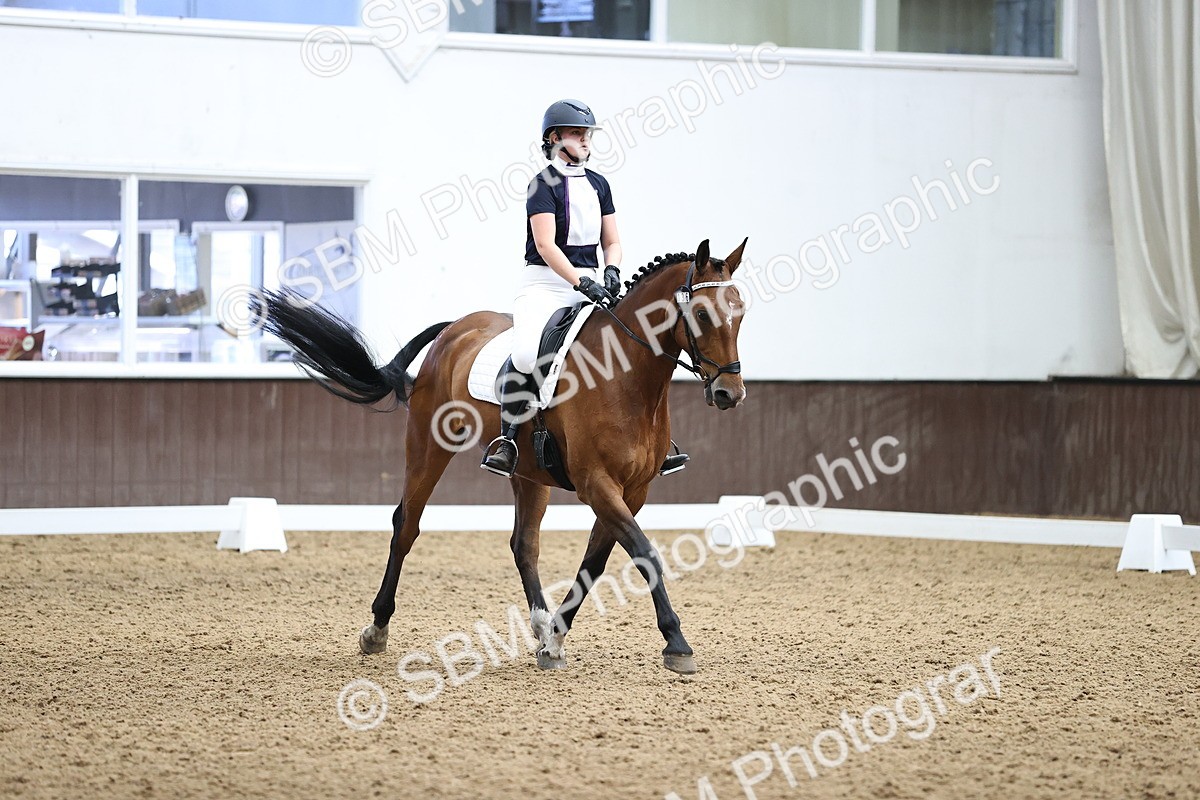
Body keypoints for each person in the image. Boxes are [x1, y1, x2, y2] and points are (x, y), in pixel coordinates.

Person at [480, 99, 621, 478]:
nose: (586, 140)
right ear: (555, 138)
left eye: (587, 133)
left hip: (593, 283)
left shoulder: (599, 184)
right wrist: (581, 281)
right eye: (577, 133)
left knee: (627, 343)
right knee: (527, 355)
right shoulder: (542, 184)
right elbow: (546, 245)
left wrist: (612, 271)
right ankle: (508, 439)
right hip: (546, 283)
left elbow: (612, 240)